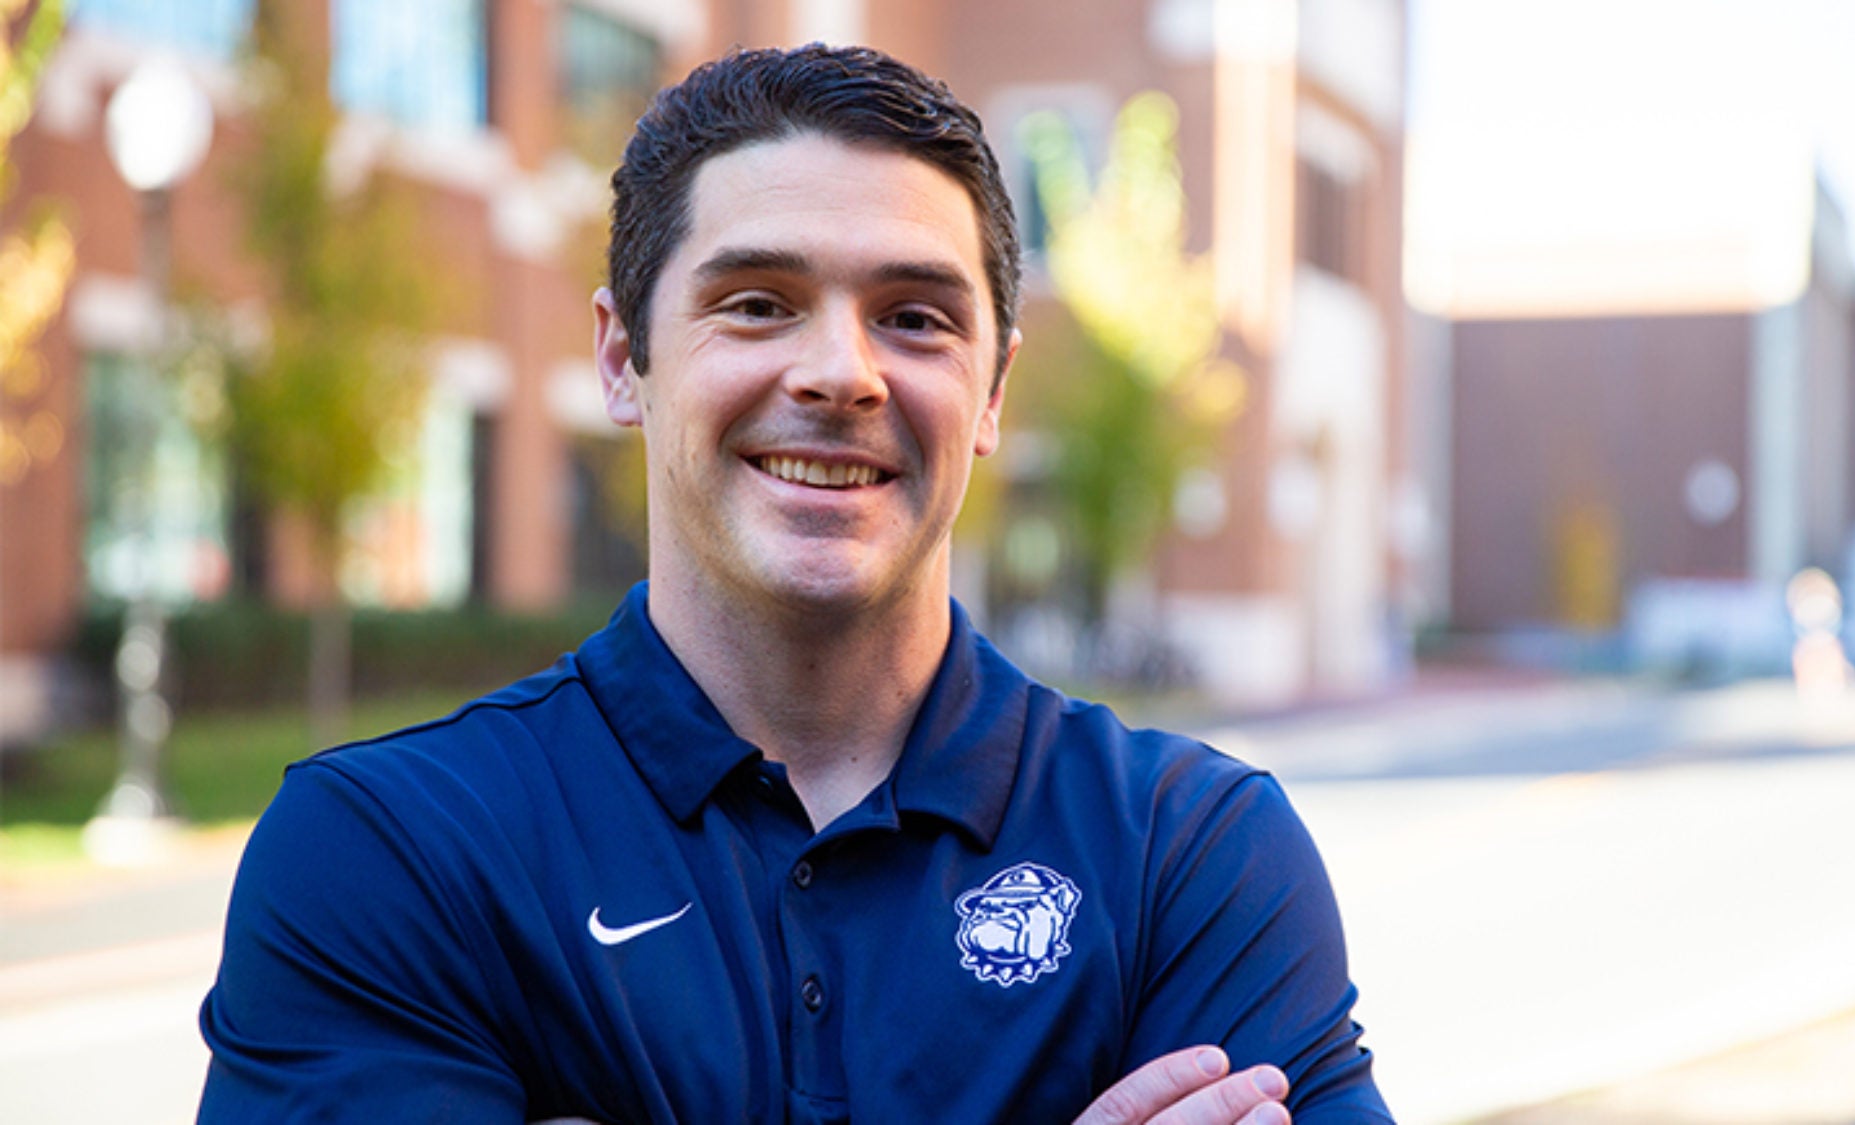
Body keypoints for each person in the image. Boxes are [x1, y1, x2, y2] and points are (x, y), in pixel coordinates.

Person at [197, 43, 1391, 1124]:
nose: (840, 373)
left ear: (990, 394)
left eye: (914, 317)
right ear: (624, 359)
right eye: (757, 304)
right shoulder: (390, 852)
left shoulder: (1190, 855)